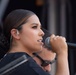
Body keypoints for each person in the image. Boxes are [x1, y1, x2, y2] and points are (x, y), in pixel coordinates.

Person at [0, 9, 69, 75]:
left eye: (40, 28)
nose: (42, 33)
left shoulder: (9, 61)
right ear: (15, 33)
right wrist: (62, 52)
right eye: (34, 27)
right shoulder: (23, 64)